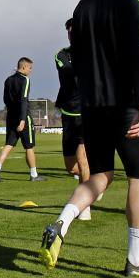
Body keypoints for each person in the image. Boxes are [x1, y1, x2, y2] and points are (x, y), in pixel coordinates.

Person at [39, 0, 139, 278]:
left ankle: (61, 224)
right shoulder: (133, 1)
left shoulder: (83, 6)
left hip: (92, 109)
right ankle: (135, 261)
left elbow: (78, 61)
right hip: (126, 106)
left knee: (100, 175)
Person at [54, 19, 91, 219]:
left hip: (86, 112)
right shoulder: (62, 55)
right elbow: (68, 71)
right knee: (71, 167)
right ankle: (94, 183)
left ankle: (84, 207)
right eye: (69, 31)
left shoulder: (92, 51)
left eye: (74, 31)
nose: (71, 34)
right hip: (68, 114)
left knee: (83, 158)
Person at [0, 58, 45, 182]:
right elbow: (24, 99)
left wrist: (12, 113)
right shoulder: (25, 80)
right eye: (30, 68)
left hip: (10, 116)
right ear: (24, 67)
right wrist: (22, 119)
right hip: (23, 117)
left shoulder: (8, 80)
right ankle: (34, 175)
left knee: (9, 144)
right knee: (29, 147)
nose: (31, 71)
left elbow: (5, 99)